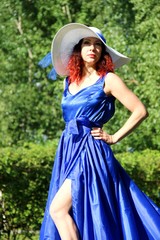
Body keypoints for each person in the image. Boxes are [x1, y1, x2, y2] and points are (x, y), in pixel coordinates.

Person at [39, 23, 160, 240]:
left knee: (58, 209)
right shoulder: (69, 82)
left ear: (103, 52)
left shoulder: (109, 80)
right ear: (79, 49)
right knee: (75, 212)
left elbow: (140, 111)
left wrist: (114, 137)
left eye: (97, 45)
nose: (92, 48)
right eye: (87, 43)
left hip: (90, 152)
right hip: (68, 148)